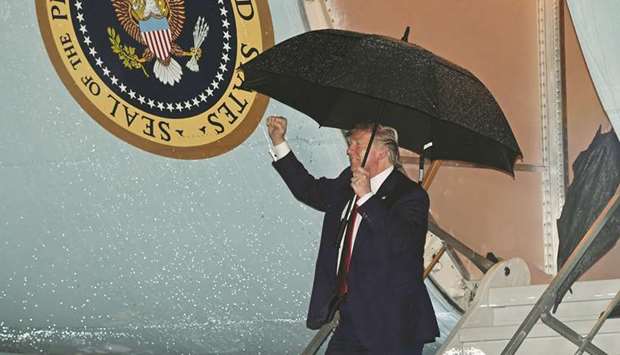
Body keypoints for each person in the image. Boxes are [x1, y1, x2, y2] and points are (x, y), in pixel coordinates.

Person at [266, 115, 439, 355]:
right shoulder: (347, 182)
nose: (349, 150)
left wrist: (367, 198)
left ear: (382, 152)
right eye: (350, 144)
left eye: (357, 144)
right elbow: (309, 190)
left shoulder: (410, 196)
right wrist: (279, 141)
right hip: (351, 318)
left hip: (394, 325)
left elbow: (402, 244)